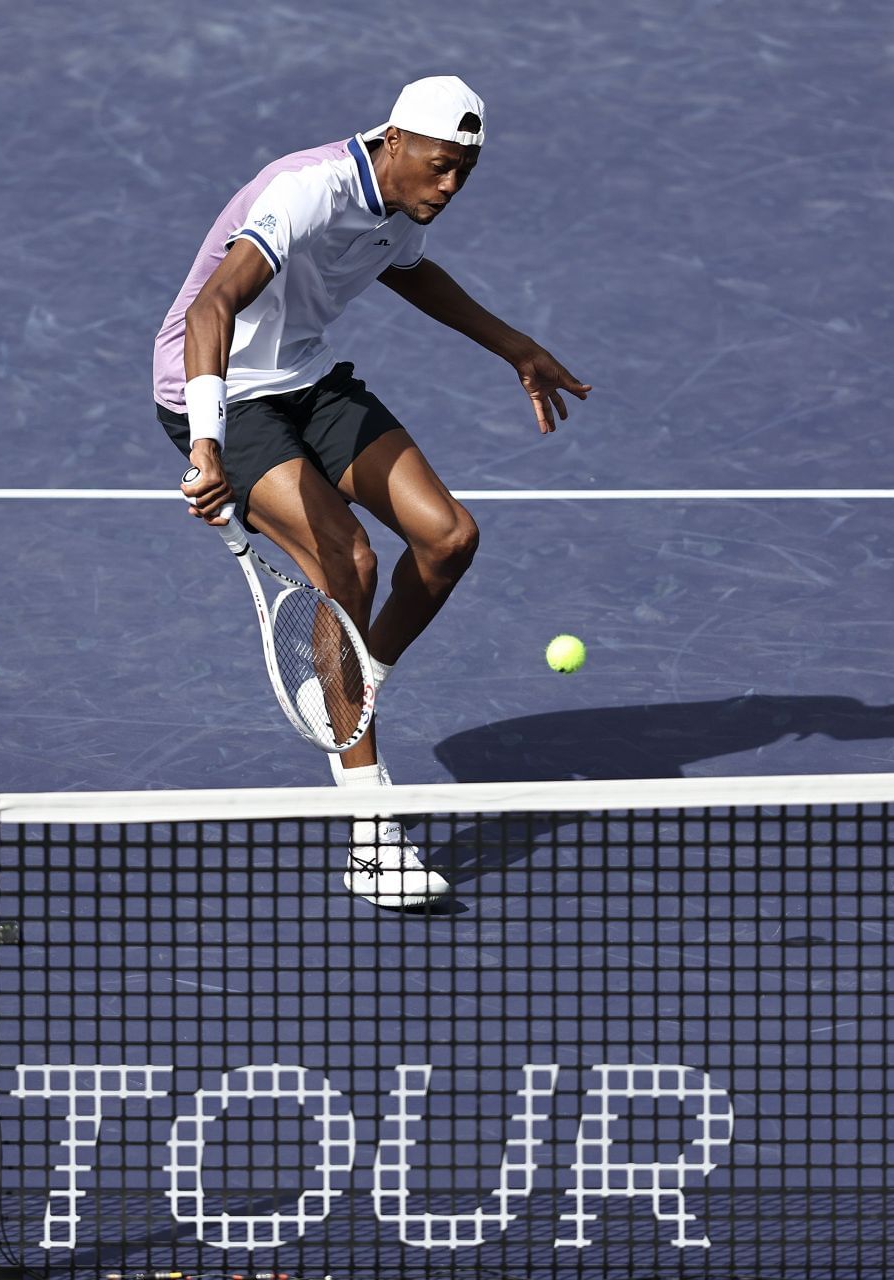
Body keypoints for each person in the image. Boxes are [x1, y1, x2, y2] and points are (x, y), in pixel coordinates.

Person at [153, 76, 590, 908]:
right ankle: (370, 835)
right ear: (395, 142)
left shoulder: (398, 203)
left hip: (306, 381)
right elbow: (215, 303)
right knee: (345, 559)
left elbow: (409, 272)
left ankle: (354, 680)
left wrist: (514, 345)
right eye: (438, 166)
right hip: (216, 390)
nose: (450, 187)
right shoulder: (308, 190)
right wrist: (206, 443)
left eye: (465, 171)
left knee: (448, 538)